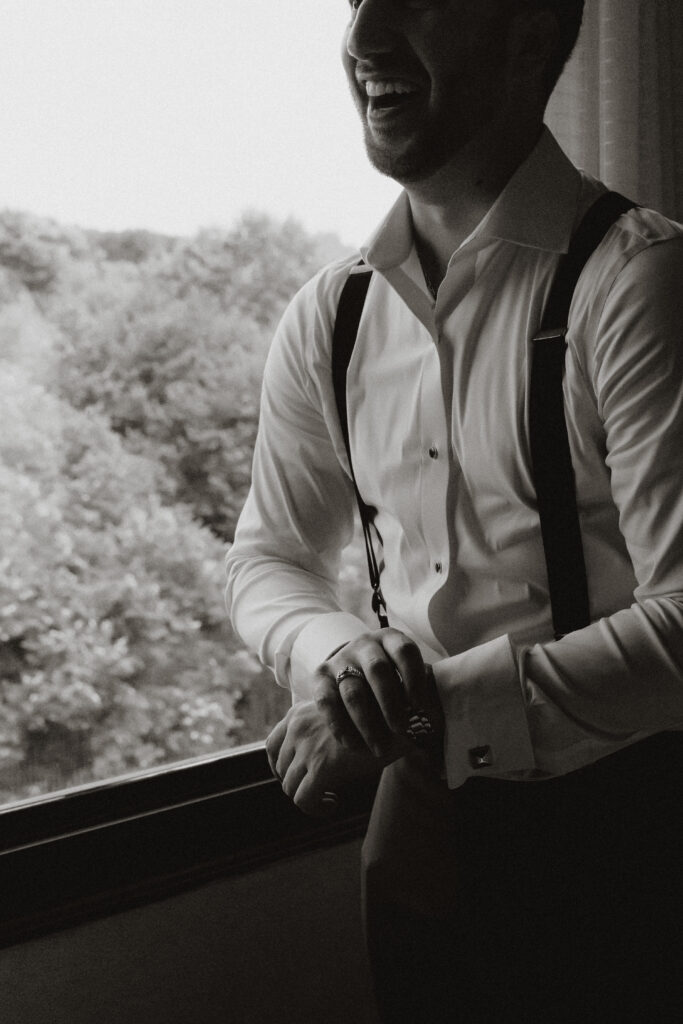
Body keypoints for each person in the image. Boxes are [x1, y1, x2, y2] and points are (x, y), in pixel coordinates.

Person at [226, 1, 683, 1020]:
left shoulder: (640, 284)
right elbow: (265, 558)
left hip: (632, 817)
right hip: (420, 828)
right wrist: (345, 666)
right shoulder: (327, 317)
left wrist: (420, 713)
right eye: (354, 2)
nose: (365, 36)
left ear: (528, 35)